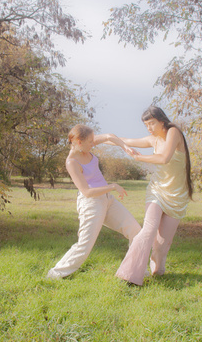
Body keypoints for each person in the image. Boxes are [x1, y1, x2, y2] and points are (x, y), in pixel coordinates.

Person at [46, 124, 141, 279]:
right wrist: (112, 186)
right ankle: (54, 275)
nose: (93, 143)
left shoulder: (85, 146)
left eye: (93, 140)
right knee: (84, 246)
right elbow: (87, 192)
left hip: (107, 200)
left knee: (135, 230)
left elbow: (110, 136)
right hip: (91, 204)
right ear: (78, 142)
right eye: (90, 141)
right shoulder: (72, 162)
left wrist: (125, 147)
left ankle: (134, 272)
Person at [115, 106, 193, 285]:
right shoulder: (153, 139)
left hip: (177, 196)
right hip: (157, 190)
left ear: (162, 120)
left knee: (161, 245)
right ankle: (130, 275)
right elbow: (127, 140)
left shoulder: (173, 132)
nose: (149, 128)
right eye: (146, 125)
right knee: (148, 230)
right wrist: (104, 139)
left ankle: (157, 272)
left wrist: (140, 158)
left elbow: (164, 158)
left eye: (151, 123)